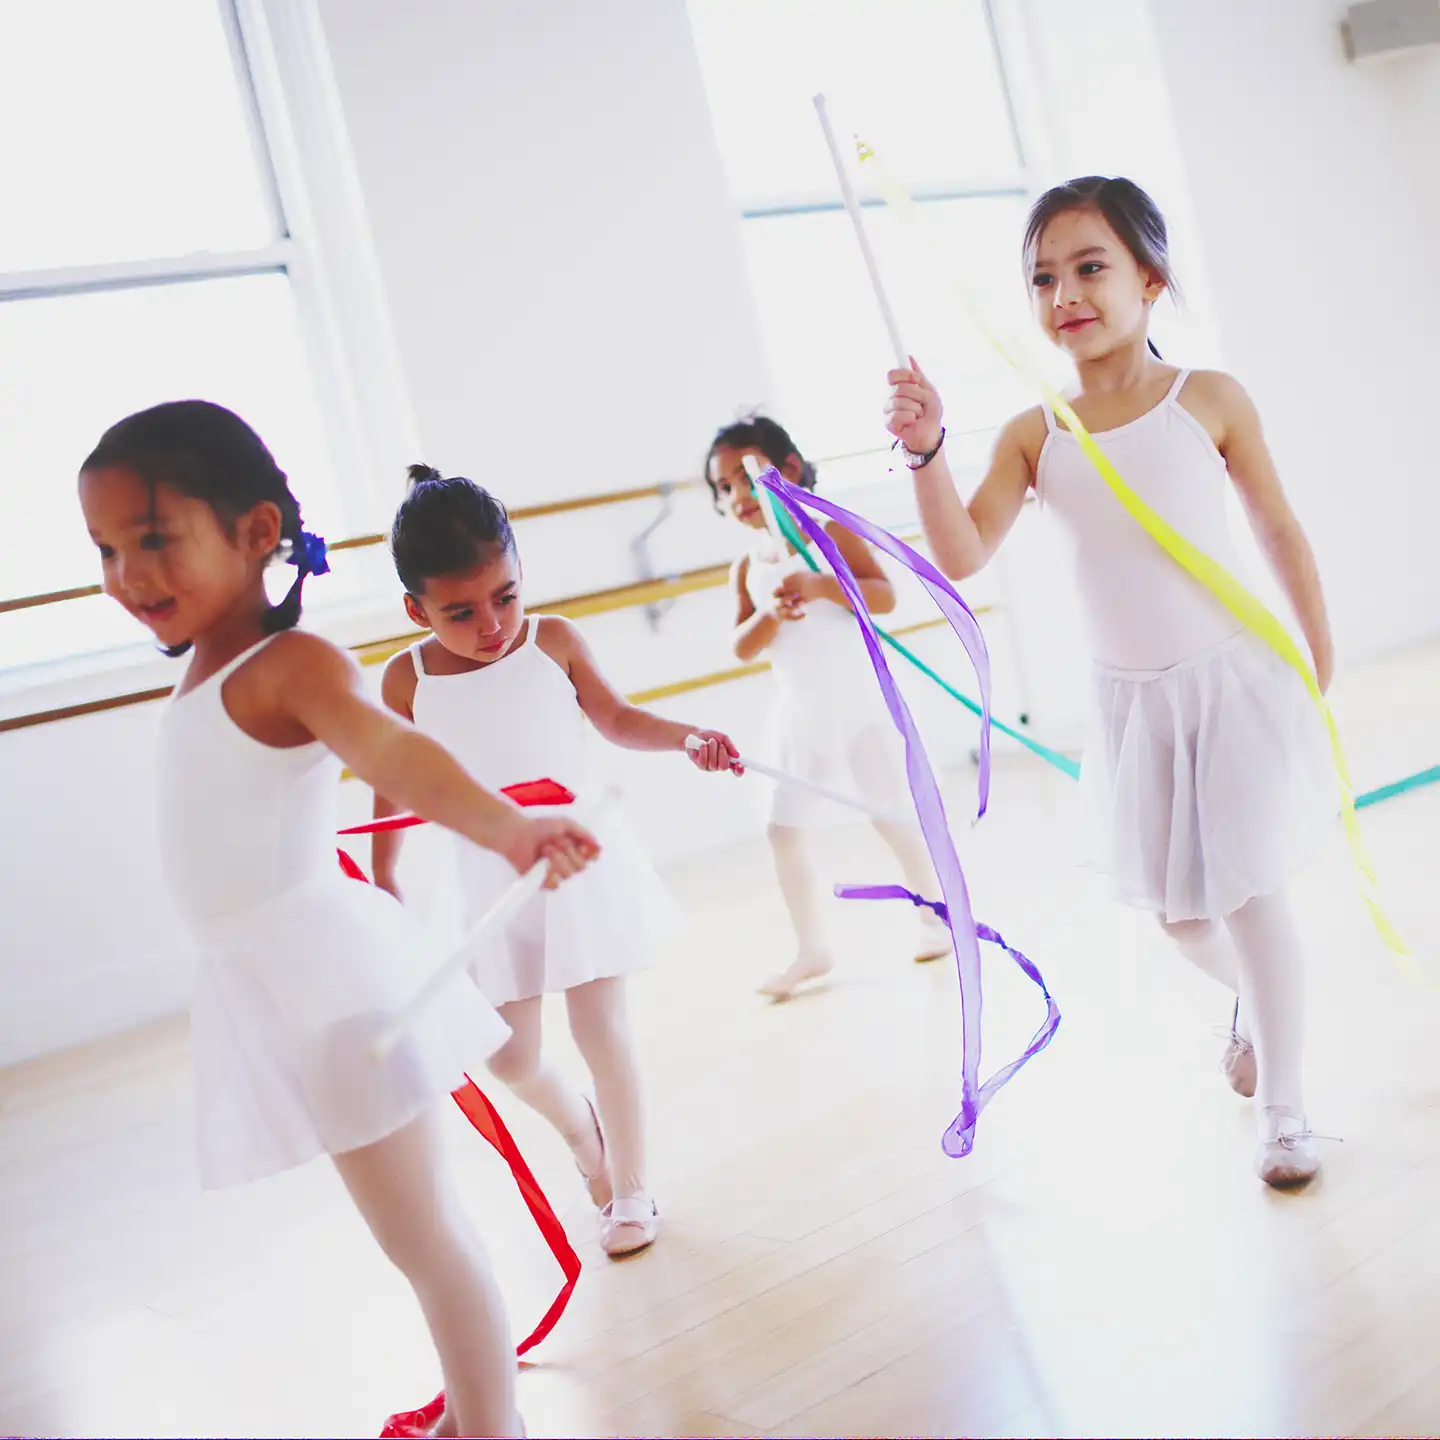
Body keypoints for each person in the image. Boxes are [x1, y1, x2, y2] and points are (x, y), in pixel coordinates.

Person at [78, 401, 601, 1436]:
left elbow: (393, 753)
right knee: (410, 1238)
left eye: (151, 540)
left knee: (428, 1239)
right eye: (105, 550)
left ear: (255, 531)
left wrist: (506, 829)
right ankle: (472, 1414)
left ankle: (492, 1428)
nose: (129, 574)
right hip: (278, 983)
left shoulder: (293, 664)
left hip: (333, 985)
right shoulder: (206, 671)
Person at [886, 176, 1336, 1187]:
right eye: (1043, 277)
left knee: (1255, 896)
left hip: (1230, 685)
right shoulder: (1033, 434)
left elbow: (1276, 525)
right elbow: (961, 554)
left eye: (1091, 268)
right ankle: (1258, 1007)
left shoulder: (1207, 398)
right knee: (1183, 918)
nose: (1065, 296)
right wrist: (925, 453)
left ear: (1150, 277)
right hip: (1133, 707)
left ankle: (1287, 1107)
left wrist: (1318, 650)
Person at [373, 465, 739, 1258]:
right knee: (509, 1056)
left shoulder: (555, 642)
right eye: (459, 612)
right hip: (487, 877)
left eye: (505, 596)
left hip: (578, 862)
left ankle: (633, 1188)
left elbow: (616, 718)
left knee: (602, 1026)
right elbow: (393, 783)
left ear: (519, 573)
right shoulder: (406, 677)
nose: (491, 624)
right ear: (416, 608)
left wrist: (688, 738)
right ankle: (584, 1133)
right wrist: (386, 879)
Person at [705, 417, 951, 1000]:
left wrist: (819, 587)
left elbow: (884, 595)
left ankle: (935, 915)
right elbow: (740, 646)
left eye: (745, 477)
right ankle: (811, 948)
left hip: (858, 707)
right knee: (781, 830)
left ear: (788, 469)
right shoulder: (748, 565)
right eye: (725, 487)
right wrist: (770, 616)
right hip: (802, 717)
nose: (738, 496)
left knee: (890, 815)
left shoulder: (830, 533)